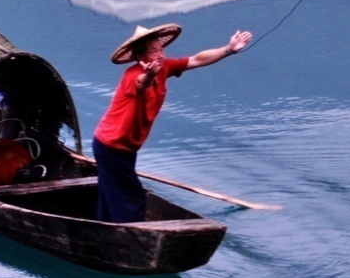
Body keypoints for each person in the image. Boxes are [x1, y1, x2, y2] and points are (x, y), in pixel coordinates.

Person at [93, 23, 252, 223]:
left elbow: (196, 60)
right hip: (110, 146)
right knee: (131, 198)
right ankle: (129, 237)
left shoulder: (165, 67)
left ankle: (103, 227)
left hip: (126, 147)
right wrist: (150, 74)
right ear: (140, 57)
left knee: (111, 194)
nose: (160, 55)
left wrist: (228, 49)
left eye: (161, 49)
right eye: (154, 51)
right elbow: (142, 83)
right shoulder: (132, 75)